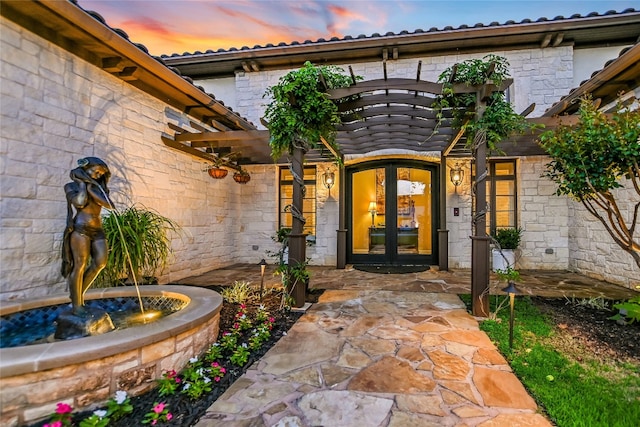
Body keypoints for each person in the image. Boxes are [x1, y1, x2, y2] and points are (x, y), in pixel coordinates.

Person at [61, 157, 112, 314]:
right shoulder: (70, 186)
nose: (97, 175)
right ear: (84, 169)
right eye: (94, 171)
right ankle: (77, 305)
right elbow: (80, 202)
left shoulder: (100, 189)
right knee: (80, 265)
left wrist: (92, 188)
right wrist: (83, 184)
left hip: (98, 230)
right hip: (80, 229)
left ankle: (76, 295)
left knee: (100, 263)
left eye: (100, 173)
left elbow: (110, 205)